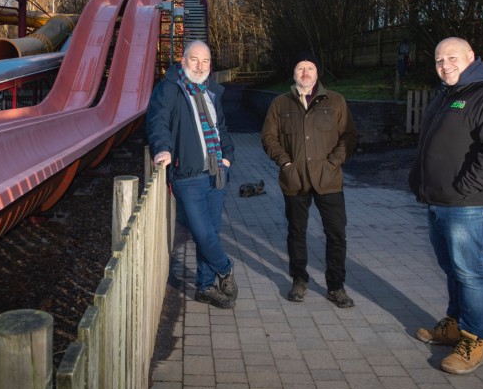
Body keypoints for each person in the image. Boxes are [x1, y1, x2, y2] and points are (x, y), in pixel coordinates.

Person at [409, 37, 483, 374]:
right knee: (452, 269)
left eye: (452, 57)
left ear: (471, 56)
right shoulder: (447, 95)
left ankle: (475, 340)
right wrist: (419, 180)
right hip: (440, 201)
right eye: (439, 60)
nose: (445, 65)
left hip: (472, 204)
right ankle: (456, 324)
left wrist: (466, 187)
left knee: (471, 274)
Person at [260, 51, 359, 308]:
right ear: (293, 73)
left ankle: (336, 286)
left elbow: (349, 135)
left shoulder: (335, 101)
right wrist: (285, 163)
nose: (305, 73)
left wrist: (334, 163)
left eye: (310, 68)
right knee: (296, 232)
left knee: (336, 234)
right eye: (300, 68)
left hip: (329, 180)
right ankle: (299, 279)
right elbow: (268, 137)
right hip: (295, 181)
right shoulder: (280, 103)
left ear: (318, 73)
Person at [146, 40, 238, 309]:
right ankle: (225, 269)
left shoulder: (211, 91)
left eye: (205, 61)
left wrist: (227, 157)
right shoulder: (170, 88)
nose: (200, 66)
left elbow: (221, 128)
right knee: (203, 233)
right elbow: (158, 121)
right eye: (194, 60)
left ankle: (205, 286)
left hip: (216, 174)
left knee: (211, 233)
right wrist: (163, 149)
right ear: (183, 60)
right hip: (187, 176)